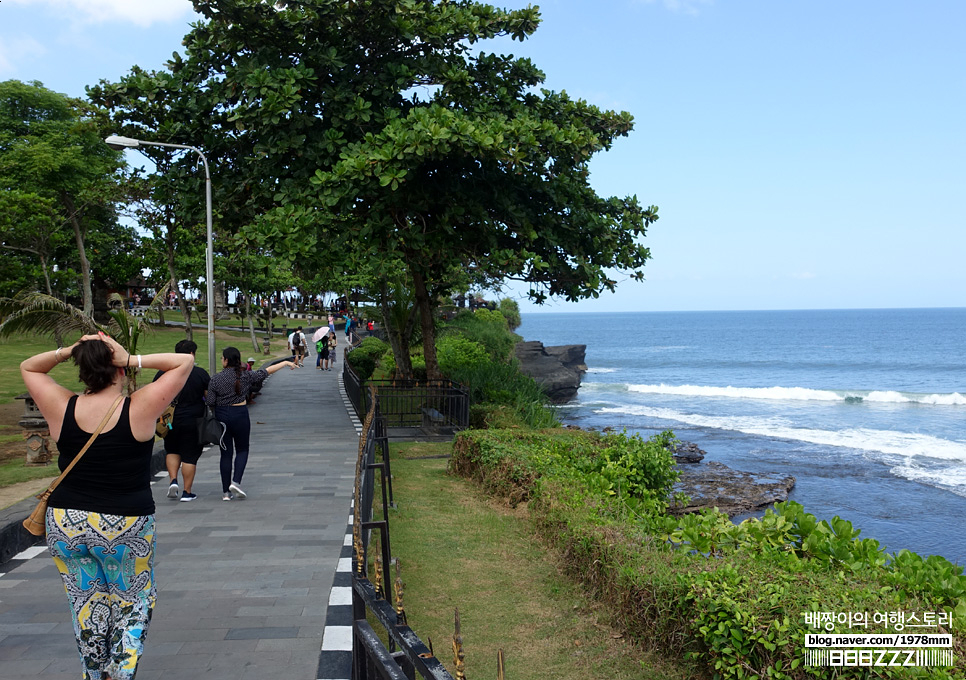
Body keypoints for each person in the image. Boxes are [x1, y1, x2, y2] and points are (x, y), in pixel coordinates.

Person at [20, 332, 194, 680]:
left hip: (66, 520)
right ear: (117, 369)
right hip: (124, 521)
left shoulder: (61, 405)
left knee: (85, 602)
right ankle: (120, 672)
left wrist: (73, 350)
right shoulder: (139, 406)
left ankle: (94, 672)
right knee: (132, 599)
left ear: (82, 370)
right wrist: (130, 359)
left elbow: (30, 367)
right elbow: (184, 362)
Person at [206, 347, 295, 501]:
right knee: (242, 449)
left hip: (222, 416)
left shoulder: (215, 379)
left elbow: (210, 402)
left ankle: (225, 493)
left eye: (222, 358)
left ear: (226, 360)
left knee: (225, 453)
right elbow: (266, 371)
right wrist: (285, 363)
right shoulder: (245, 376)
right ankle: (236, 481)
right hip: (240, 414)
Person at [153, 339, 210, 502]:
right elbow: (208, 396)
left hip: (169, 420)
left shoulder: (162, 373)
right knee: (189, 456)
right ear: (192, 354)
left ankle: (173, 481)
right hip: (193, 420)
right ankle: (187, 492)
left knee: (171, 449)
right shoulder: (199, 373)